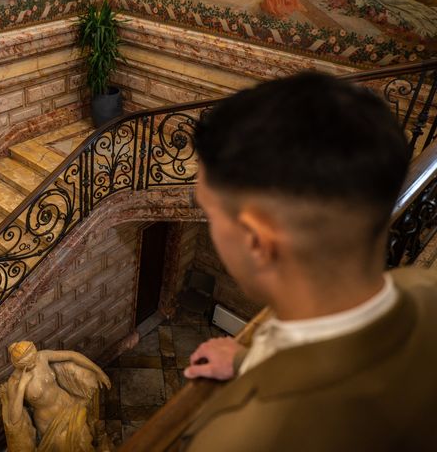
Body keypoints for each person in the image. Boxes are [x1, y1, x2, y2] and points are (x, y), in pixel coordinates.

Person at [181, 73, 437, 450]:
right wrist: (247, 362)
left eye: (209, 212)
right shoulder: (424, 290)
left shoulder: (244, 438)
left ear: (256, 241)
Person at [0, 341, 111, 451]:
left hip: (69, 406)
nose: (34, 363)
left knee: (84, 441)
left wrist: (99, 371)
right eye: (28, 363)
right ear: (18, 364)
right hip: (49, 423)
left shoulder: (42, 357)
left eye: (33, 358)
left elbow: (71, 355)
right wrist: (22, 386)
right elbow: (14, 418)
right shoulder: (15, 381)